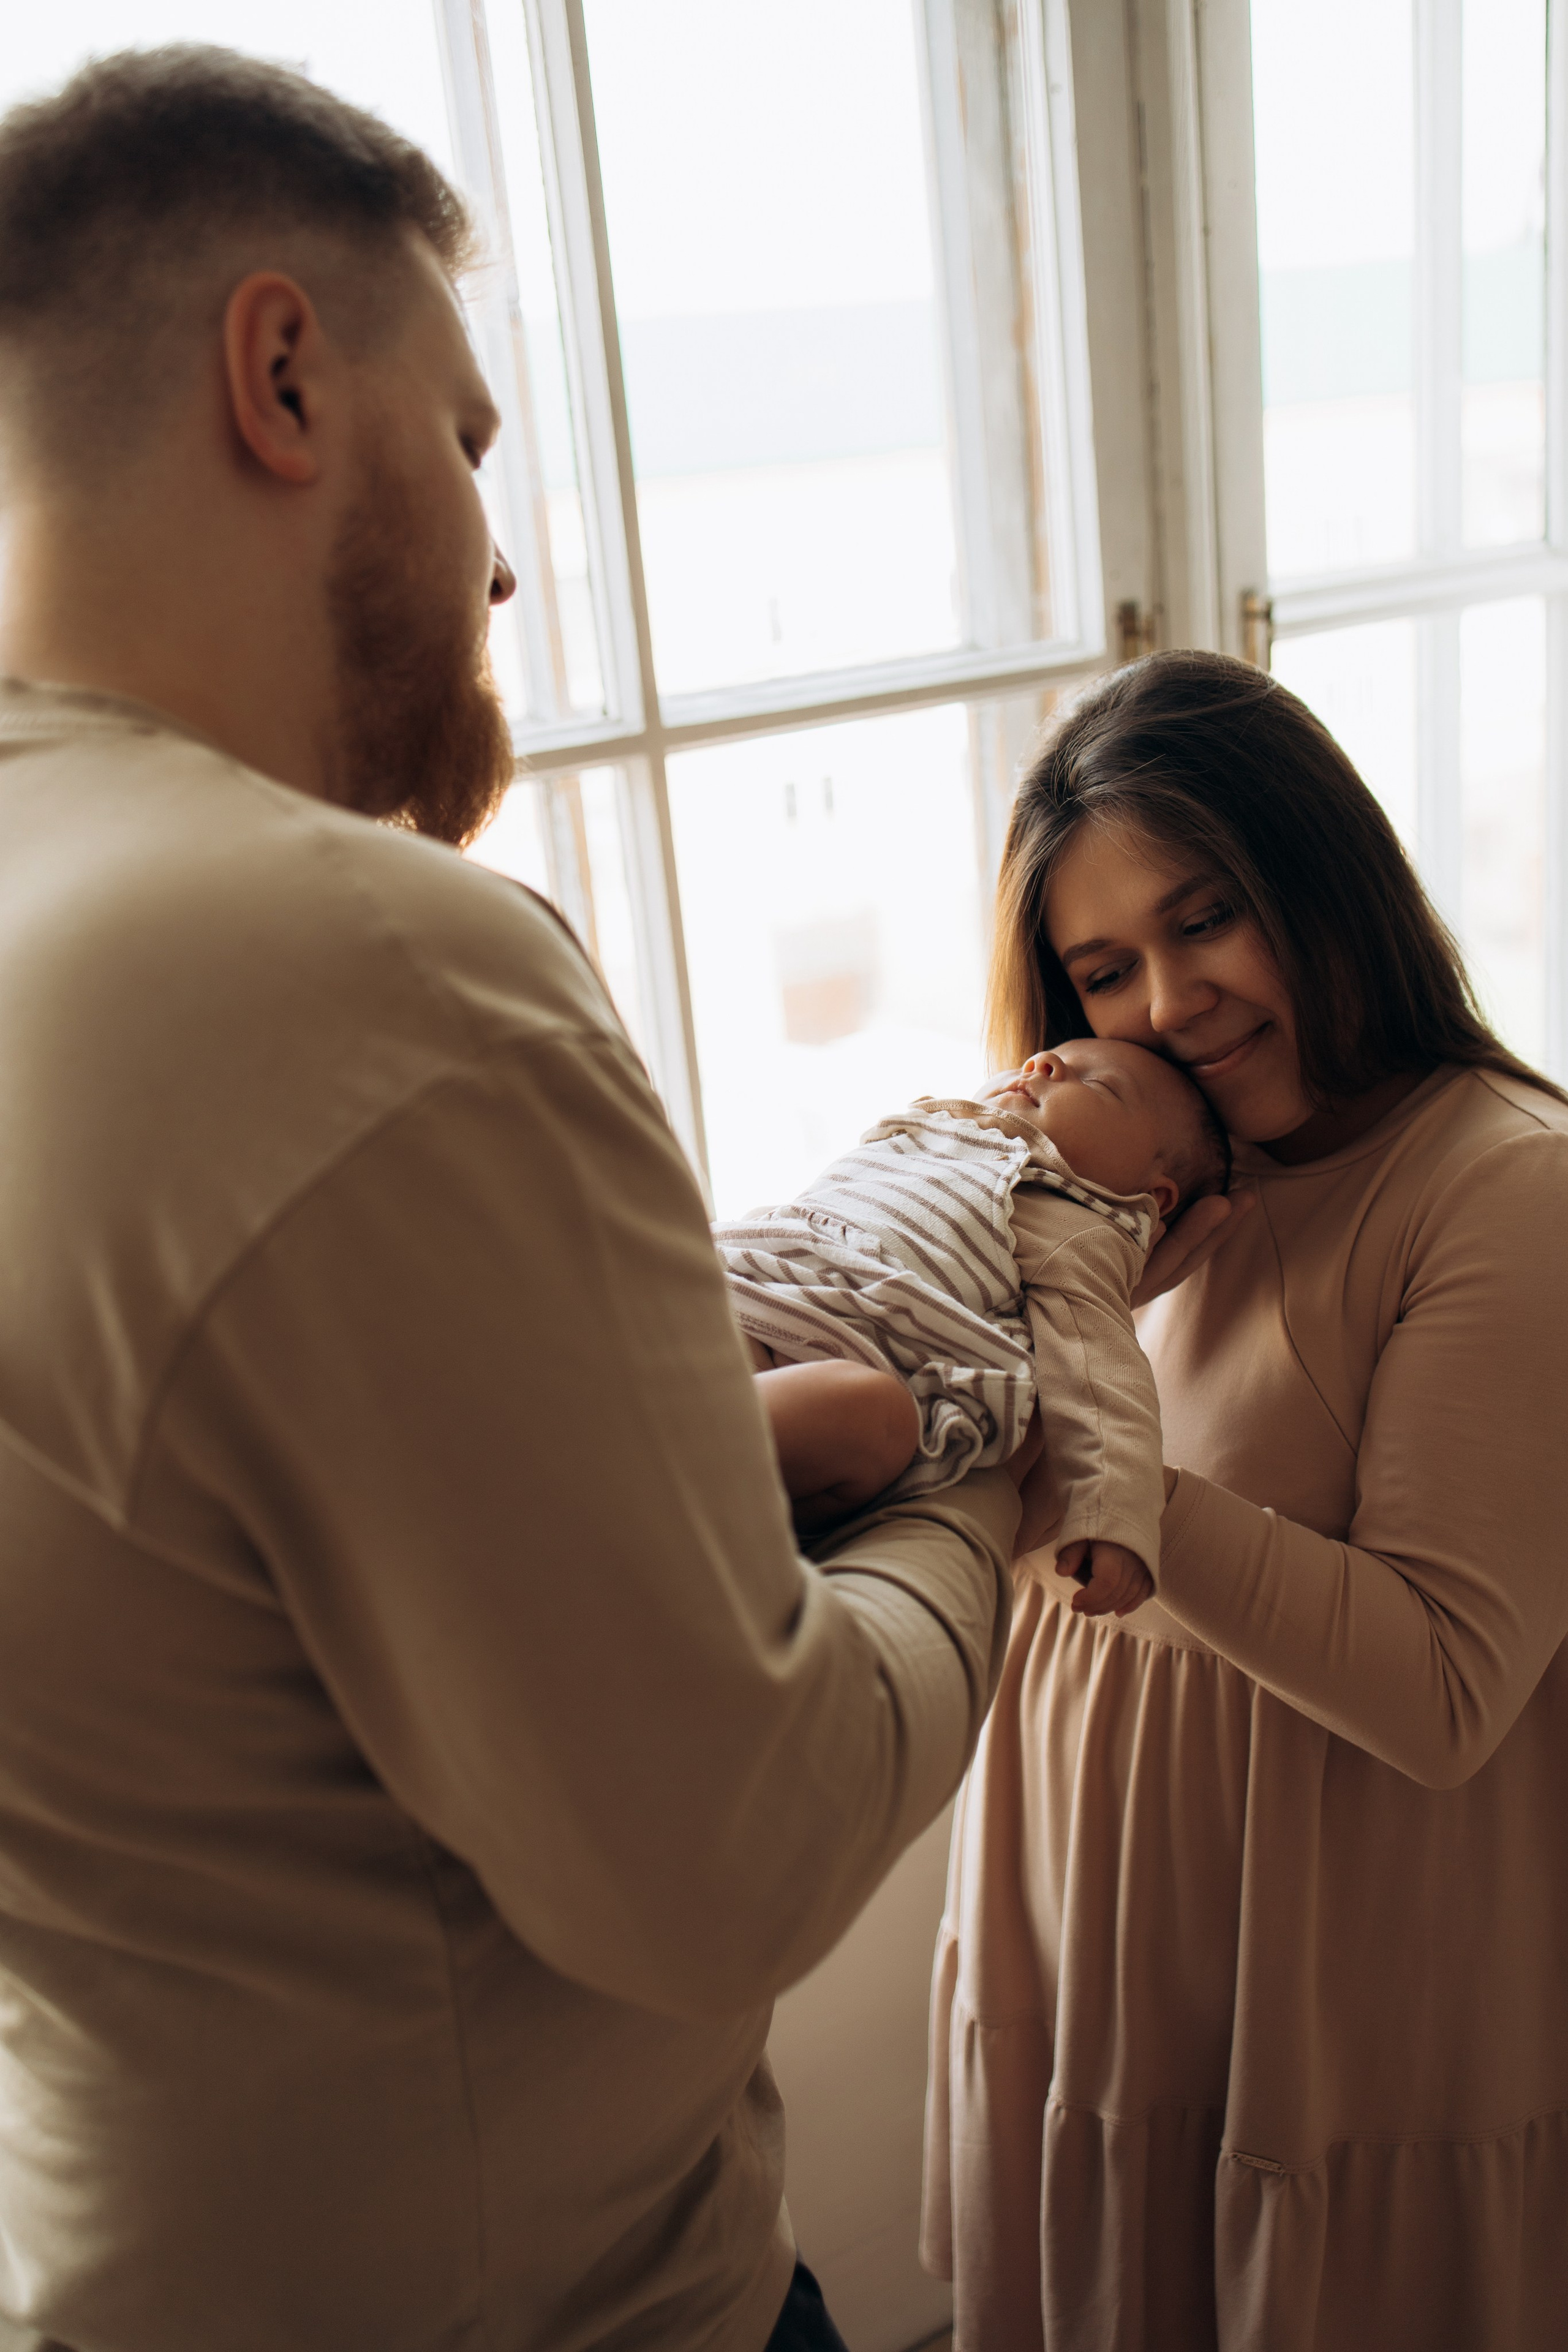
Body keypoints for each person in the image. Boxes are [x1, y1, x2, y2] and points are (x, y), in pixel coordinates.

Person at [0, 47, 1031, 2352]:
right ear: (280, 372)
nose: (495, 554)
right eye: (465, 440)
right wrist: (1003, 1475)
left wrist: (715, 1449)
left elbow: (211, 1581)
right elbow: (726, 1855)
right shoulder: (351, 965)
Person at [921, 649, 1568, 2350]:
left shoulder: (1502, 1190)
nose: (1168, 1002)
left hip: (1336, 1999)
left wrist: (1107, 1461)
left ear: (1322, 875)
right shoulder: (1145, 1188)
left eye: (1207, 917)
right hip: (1101, 1954)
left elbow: (1443, 1690)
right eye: (1104, 967)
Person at [717, 1039, 1229, 1621]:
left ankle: (663, 1457)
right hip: (729, 1296)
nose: (1042, 1066)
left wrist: (1115, 1518)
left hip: (822, 1371)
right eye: (1041, 1057)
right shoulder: (924, 1131)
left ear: (1153, 1196)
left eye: (1100, 1086)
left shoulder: (1075, 1222)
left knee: (874, 1414)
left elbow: (1102, 1376)